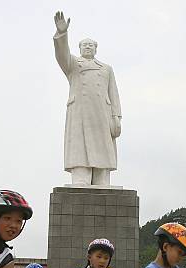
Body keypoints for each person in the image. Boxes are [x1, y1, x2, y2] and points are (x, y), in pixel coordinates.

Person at [53, 11, 122, 186]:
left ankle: (101, 177)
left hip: (102, 115)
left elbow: (113, 94)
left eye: (91, 45)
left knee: (102, 153)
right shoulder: (74, 64)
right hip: (80, 113)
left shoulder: (106, 68)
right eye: (84, 45)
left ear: (96, 48)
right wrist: (62, 34)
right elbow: (62, 56)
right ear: (79, 48)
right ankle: (81, 175)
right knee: (80, 148)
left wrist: (116, 117)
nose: (88, 47)